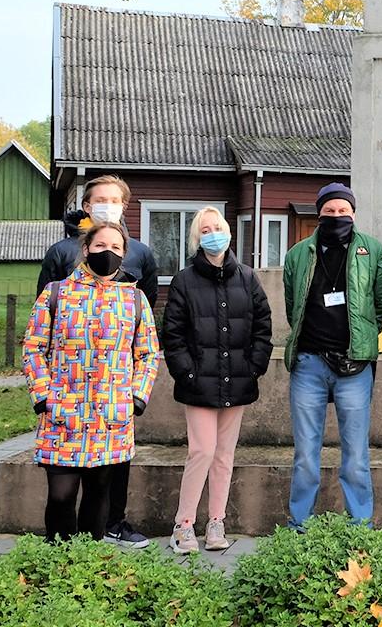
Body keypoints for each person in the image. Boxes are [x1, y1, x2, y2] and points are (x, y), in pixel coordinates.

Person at [36, 174, 158, 549]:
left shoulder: (133, 299)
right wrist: (43, 394)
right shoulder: (56, 294)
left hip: (111, 412)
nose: (109, 250)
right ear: (86, 249)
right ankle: (56, 562)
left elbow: (148, 351)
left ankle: (87, 566)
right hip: (64, 412)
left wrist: (136, 396)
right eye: (100, 244)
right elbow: (34, 345)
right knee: (60, 494)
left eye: (116, 246)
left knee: (98, 497)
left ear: (125, 252)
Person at [161, 207, 273, 553]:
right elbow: (173, 334)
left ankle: (216, 522)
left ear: (227, 231)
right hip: (199, 384)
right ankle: (183, 525)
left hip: (237, 381)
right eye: (205, 229)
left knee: (224, 455)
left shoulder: (247, 278)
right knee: (202, 451)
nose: (213, 234)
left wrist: (253, 366)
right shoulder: (184, 280)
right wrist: (187, 373)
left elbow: (262, 326)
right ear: (197, 238)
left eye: (217, 227)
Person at [282, 183, 382, 530]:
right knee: (305, 455)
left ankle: (360, 526)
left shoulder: (372, 250)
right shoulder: (298, 254)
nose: (336, 216)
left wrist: (361, 338)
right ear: (319, 214)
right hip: (309, 363)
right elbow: (292, 305)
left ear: (353, 214)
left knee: (356, 455)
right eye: (329, 211)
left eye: (343, 211)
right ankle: (300, 524)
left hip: (354, 364)